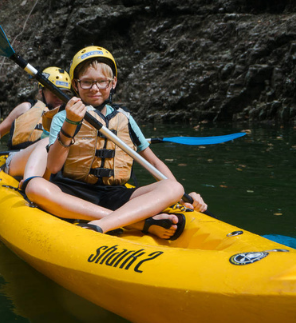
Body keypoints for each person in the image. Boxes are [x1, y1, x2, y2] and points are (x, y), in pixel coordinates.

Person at [22, 46, 207, 240]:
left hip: (114, 194)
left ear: (113, 83)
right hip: (72, 191)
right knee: (35, 187)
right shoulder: (63, 117)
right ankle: (139, 223)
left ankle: (100, 225)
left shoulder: (125, 118)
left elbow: (153, 162)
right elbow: (53, 165)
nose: (95, 88)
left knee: (173, 187)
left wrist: (184, 196)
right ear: (76, 85)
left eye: (101, 82)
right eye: (87, 83)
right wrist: (71, 122)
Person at [0, 66, 68, 179]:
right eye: (54, 94)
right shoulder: (26, 107)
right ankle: (30, 182)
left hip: (52, 164)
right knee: (47, 143)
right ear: (42, 92)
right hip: (18, 157)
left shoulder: (70, 116)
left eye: (63, 94)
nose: (59, 99)